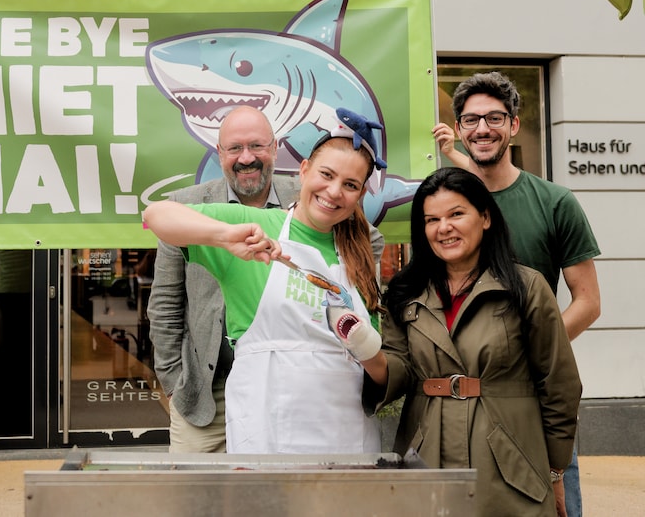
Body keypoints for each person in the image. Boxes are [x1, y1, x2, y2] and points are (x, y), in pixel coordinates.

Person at [144, 108, 386, 454]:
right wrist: (225, 237)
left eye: (350, 185)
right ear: (305, 170)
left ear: (275, 149)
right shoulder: (251, 222)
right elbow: (156, 217)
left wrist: (363, 344)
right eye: (326, 175)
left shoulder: (356, 248)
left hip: (344, 432)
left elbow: (381, 371)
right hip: (237, 409)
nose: (333, 193)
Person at [357, 166, 581, 516]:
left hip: (510, 467)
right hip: (427, 458)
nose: (443, 227)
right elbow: (397, 368)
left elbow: (559, 385)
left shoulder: (526, 287)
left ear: (485, 218)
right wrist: (365, 351)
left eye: (456, 214)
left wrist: (554, 470)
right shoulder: (405, 292)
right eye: (432, 220)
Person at [433, 71, 601, 517]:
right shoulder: (443, 209)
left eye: (493, 118)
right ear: (460, 129)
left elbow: (587, 302)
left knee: (555, 505)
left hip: (536, 393)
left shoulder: (554, 202)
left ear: (513, 124)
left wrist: (531, 348)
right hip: (461, 399)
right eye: (470, 120)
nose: (482, 129)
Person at [147, 106, 303, 452]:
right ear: (220, 154)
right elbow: (164, 306)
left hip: (290, 386)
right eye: (234, 148)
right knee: (196, 499)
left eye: (257, 146)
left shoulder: (307, 198)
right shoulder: (185, 208)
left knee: (282, 495)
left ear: (275, 148)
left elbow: (366, 240)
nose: (246, 158)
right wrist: (175, 382)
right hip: (207, 393)